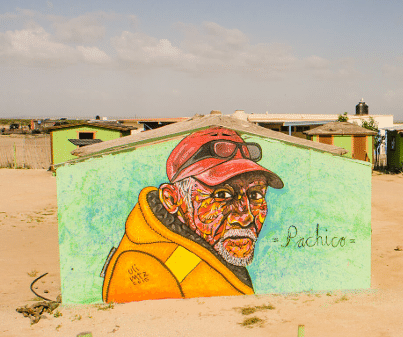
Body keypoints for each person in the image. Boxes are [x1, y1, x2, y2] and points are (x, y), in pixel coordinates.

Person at [101, 127, 284, 303]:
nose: (246, 217)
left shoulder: (198, 248)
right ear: (172, 199)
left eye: (256, 195)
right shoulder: (143, 267)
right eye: (221, 195)